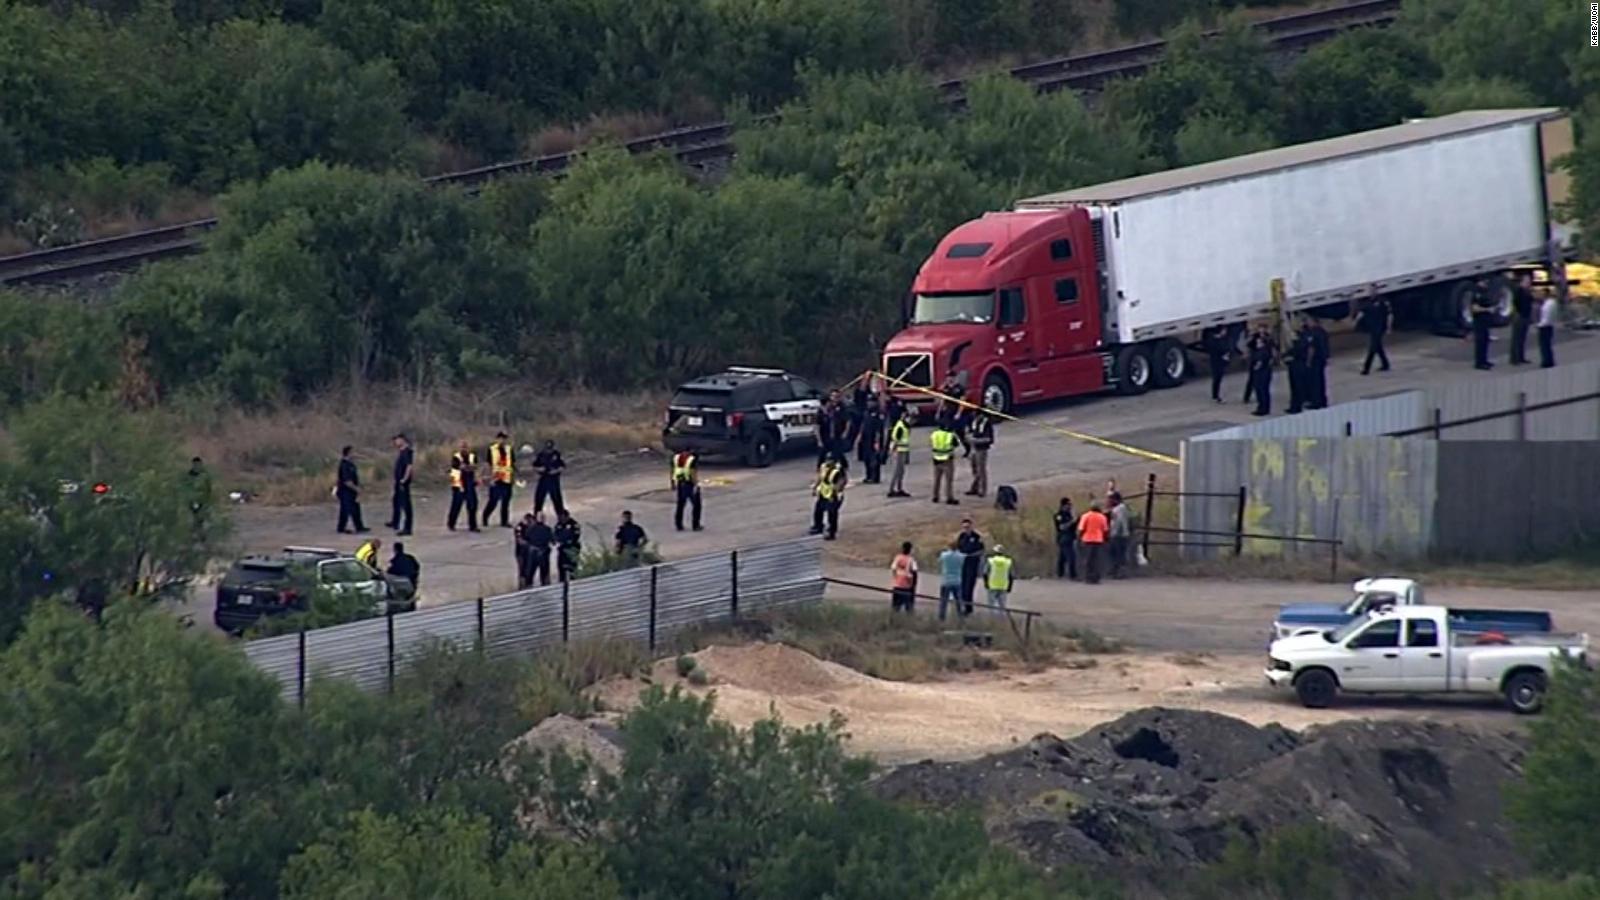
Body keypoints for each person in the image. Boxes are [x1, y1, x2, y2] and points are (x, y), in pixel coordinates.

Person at [809, 453, 847, 541]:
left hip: (834, 495)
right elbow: (820, 478)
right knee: (818, 509)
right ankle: (818, 526)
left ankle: (832, 532)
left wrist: (836, 492)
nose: (828, 461)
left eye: (830, 460)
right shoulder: (824, 466)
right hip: (823, 492)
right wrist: (815, 488)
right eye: (827, 459)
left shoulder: (838, 470)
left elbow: (842, 481)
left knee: (832, 514)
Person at [483, 431, 516, 528]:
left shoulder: (509, 449)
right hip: (496, 478)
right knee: (493, 500)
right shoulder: (492, 449)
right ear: (497, 439)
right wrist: (488, 478)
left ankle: (504, 521)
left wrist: (513, 477)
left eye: (504, 439)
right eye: (500, 438)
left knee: (506, 501)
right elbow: (488, 465)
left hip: (507, 478)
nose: (502, 440)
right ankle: (485, 517)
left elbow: (512, 464)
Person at [446, 441, 480, 532]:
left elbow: (474, 467)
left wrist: (470, 469)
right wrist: (469, 467)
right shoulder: (456, 457)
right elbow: (461, 467)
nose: (464, 449)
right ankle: (451, 524)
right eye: (462, 447)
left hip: (470, 483)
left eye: (465, 447)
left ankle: (473, 526)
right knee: (456, 505)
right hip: (458, 484)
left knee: (472, 505)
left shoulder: (472, 456)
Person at [335, 445, 367, 534]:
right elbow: (347, 481)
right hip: (345, 491)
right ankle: (342, 528)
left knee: (355, 509)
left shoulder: (351, 464)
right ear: (349, 453)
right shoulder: (344, 465)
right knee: (347, 509)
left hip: (351, 491)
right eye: (353, 452)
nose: (355, 454)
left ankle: (359, 526)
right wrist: (357, 489)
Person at [1358, 287, 1391, 375]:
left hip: (1379, 328)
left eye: (1373, 291)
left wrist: (1388, 327)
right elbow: (1361, 313)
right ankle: (1386, 364)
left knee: (1373, 348)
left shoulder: (1382, 302)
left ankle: (1366, 369)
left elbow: (1389, 315)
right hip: (1372, 328)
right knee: (1378, 347)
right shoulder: (1368, 303)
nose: (1372, 293)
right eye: (1371, 291)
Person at [387, 434, 414, 536]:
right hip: (398, 481)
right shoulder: (401, 452)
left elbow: (409, 467)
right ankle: (395, 522)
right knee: (396, 501)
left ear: (402, 440)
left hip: (403, 482)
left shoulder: (407, 452)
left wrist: (404, 479)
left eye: (397, 440)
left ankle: (407, 528)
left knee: (406, 505)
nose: (395, 443)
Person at [955, 518, 984, 616]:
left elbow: (981, 551)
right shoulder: (961, 536)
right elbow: (958, 548)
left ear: (971, 526)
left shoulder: (976, 537)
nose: (966, 529)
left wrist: (970, 555)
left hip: (972, 565)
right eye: (964, 527)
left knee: (969, 587)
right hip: (962, 564)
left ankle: (968, 608)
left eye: (967, 527)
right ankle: (963, 607)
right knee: (962, 587)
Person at [1077, 501, 1108, 584]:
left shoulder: (1085, 516)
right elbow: (1105, 530)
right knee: (1097, 560)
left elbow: (1081, 529)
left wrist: (1079, 539)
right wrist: (1105, 539)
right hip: (1098, 540)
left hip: (1087, 540)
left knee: (1087, 560)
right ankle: (1096, 577)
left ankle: (1088, 577)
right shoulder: (1102, 517)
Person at [965, 409, 995, 498]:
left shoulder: (986, 424)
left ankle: (983, 489)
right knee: (974, 469)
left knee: (981, 470)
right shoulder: (974, 422)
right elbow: (970, 431)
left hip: (982, 449)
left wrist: (976, 441)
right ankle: (975, 487)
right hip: (973, 448)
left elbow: (989, 439)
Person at [532, 440, 567, 516]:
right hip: (543, 479)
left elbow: (563, 466)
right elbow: (534, 466)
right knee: (539, 500)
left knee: (557, 500)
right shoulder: (541, 455)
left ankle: (561, 517)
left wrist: (556, 471)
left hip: (554, 480)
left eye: (550, 449)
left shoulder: (556, 454)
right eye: (547, 449)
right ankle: (536, 517)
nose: (549, 450)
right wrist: (540, 469)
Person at [671, 450, 703, 531]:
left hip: (680, 483)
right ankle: (695, 525)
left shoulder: (676, 457)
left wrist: (672, 483)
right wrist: (696, 485)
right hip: (689, 484)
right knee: (696, 505)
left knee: (680, 505)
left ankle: (679, 525)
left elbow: (672, 470)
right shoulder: (692, 459)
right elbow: (693, 472)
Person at [1247, 325, 1275, 416]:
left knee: (1262, 390)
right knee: (1262, 389)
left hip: (1262, 372)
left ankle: (1263, 408)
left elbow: (1260, 362)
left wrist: (1257, 366)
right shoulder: (1257, 345)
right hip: (1264, 371)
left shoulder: (1264, 350)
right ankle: (1264, 407)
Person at [856, 398, 885, 485]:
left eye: (871, 402)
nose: (869, 403)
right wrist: (859, 435)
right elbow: (863, 425)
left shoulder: (878, 414)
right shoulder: (866, 413)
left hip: (874, 439)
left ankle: (875, 477)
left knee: (874, 459)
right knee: (866, 458)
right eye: (868, 402)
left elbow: (879, 429)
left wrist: (877, 441)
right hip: (866, 439)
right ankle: (868, 476)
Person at [930, 420, 959, 505]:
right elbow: (956, 444)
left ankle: (935, 496)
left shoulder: (934, 434)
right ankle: (949, 497)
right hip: (947, 460)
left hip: (936, 459)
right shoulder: (950, 435)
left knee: (937, 479)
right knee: (948, 480)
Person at [886, 408, 913, 498]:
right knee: (896, 471)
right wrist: (893, 450)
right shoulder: (900, 427)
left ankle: (899, 488)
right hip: (898, 451)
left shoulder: (905, 426)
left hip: (903, 450)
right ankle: (891, 490)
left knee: (901, 471)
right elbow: (895, 439)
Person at [1508, 272, 1534, 365]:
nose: (1529, 282)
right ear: (1522, 281)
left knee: (1522, 338)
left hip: (1526, 316)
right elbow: (1516, 302)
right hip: (1519, 316)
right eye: (1527, 281)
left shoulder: (1527, 291)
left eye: (1529, 281)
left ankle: (1521, 357)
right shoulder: (1518, 290)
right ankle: (1514, 359)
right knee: (1516, 338)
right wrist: (1518, 312)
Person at [1286, 318, 1310, 414]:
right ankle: (1293, 405)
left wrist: (1291, 357)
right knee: (1294, 387)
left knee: (1298, 387)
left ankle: (1297, 406)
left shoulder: (1301, 343)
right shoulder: (1296, 344)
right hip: (1293, 367)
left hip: (1298, 367)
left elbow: (1299, 354)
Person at [1305, 318, 1330, 409]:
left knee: (1315, 382)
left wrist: (1308, 361)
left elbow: (1312, 348)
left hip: (1315, 360)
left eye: (1308, 321)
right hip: (1322, 359)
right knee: (1321, 381)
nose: (1307, 323)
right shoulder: (1323, 332)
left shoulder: (1313, 333)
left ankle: (1316, 402)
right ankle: (1323, 400)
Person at [1471, 279, 1495, 370]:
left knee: (1485, 341)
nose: (1486, 284)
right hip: (1479, 322)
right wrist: (1487, 310)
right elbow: (1475, 309)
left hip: (1485, 322)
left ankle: (1485, 360)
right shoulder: (1477, 294)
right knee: (1480, 343)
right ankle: (1479, 363)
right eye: (1484, 283)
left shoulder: (1484, 293)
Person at [937, 541, 964, 622]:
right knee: (958, 601)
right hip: (957, 581)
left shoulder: (944, 555)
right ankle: (960, 617)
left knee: (943, 601)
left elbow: (939, 560)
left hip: (946, 581)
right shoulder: (961, 556)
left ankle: (942, 618)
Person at [1203, 325, 1231, 403]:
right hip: (1217, 362)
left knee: (1217, 379)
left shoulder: (1216, 339)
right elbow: (1221, 349)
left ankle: (1215, 395)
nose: (1225, 332)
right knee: (1217, 379)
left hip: (1217, 361)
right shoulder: (1216, 341)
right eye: (1224, 330)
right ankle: (1215, 396)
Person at [983, 544, 1014, 614]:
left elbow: (985, 573)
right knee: (1002, 606)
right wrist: (1010, 586)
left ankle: (992, 621)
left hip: (992, 585)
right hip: (1003, 585)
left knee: (991, 606)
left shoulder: (990, 560)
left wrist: (986, 584)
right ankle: (1001, 621)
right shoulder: (1008, 561)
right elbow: (1011, 575)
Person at [1107, 492, 1131, 579]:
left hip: (1118, 535)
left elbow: (1119, 522)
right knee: (1116, 553)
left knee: (1118, 554)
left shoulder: (1119, 509)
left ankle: (1119, 572)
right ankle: (1117, 571)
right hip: (1119, 534)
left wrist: (1115, 533)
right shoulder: (1118, 508)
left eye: (1111, 500)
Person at [1052, 497, 1078, 580]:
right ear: (1063, 505)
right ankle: (1072, 575)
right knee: (1071, 557)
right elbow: (1062, 527)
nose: (1070, 506)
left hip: (1070, 538)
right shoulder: (1059, 515)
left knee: (1062, 557)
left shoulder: (1069, 514)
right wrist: (1072, 522)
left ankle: (1060, 573)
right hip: (1064, 538)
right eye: (1068, 505)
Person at [526, 512, 554, 586]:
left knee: (530, 572)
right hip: (543, 552)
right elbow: (553, 541)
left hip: (534, 553)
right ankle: (544, 584)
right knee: (544, 572)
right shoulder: (547, 529)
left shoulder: (531, 529)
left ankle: (528, 585)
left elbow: (527, 539)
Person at [889, 541, 918, 613]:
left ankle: (894, 622)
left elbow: (893, 569)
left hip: (897, 585)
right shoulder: (911, 560)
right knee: (909, 608)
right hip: (907, 587)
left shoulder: (897, 557)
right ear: (910, 549)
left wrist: (896, 578)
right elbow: (915, 572)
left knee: (895, 608)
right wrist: (913, 585)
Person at [187, 456, 212, 534]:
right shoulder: (189, 475)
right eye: (195, 464)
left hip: (203, 500)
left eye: (198, 464)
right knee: (194, 517)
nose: (197, 466)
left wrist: (208, 499)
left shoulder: (204, 475)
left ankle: (201, 534)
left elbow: (208, 488)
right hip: (192, 500)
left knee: (201, 518)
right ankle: (194, 533)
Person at [554, 510, 581, 582]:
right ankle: (561, 581)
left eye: (563, 517)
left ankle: (573, 580)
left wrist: (568, 542)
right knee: (561, 567)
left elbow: (576, 535)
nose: (561, 519)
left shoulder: (574, 524)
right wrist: (559, 541)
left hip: (572, 548)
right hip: (562, 549)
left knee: (572, 567)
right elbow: (556, 535)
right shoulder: (558, 525)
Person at [514, 512, 537, 588]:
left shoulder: (535, 527)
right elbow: (519, 540)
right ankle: (522, 585)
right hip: (521, 552)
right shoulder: (520, 527)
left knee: (531, 568)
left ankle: (529, 583)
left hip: (532, 553)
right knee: (523, 569)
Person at [1538, 288, 1557, 368]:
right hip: (1549, 325)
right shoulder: (1552, 302)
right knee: (1548, 345)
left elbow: (1546, 316)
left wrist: (1540, 324)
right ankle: (1550, 360)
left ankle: (1546, 361)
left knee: (1544, 345)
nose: (1541, 296)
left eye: (1542, 294)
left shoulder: (1548, 304)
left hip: (1545, 326)